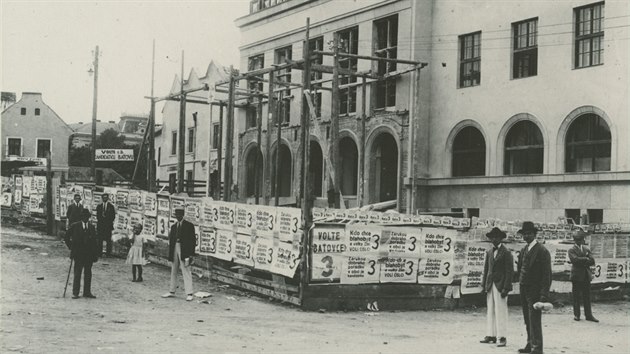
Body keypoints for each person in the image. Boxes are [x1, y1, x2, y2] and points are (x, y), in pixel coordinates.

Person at [517, 221, 552, 354]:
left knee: (534, 319)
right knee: (527, 318)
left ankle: (537, 348)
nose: (526, 236)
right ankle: (530, 343)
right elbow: (520, 268)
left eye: (529, 233)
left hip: (535, 289)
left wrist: (544, 295)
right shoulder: (524, 250)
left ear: (534, 234)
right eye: (524, 234)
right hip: (524, 287)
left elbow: (546, 274)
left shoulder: (542, 251)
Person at [480, 227, 514, 347]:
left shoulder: (507, 253)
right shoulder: (489, 252)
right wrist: (484, 285)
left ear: (501, 238)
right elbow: (486, 269)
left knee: (501, 311)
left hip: (501, 285)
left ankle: (502, 336)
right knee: (490, 310)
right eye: (492, 237)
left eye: (496, 237)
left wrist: (506, 288)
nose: (494, 239)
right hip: (490, 284)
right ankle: (491, 334)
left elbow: (509, 272)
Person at [65, 208, 101, 299]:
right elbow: (66, 237)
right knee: (77, 273)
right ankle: (75, 292)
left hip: (88, 254)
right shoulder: (75, 226)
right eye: (84, 217)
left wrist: (95, 254)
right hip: (78, 253)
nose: (85, 219)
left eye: (87, 217)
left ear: (89, 218)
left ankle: (87, 292)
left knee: (88, 273)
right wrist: (71, 247)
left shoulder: (92, 227)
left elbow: (94, 242)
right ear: (81, 217)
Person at [162, 208, 196, 301]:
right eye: (176, 215)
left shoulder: (189, 226)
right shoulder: (174, 227)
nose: (177, 216)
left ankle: (189, 293)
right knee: (174, 270)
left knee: (186, 270)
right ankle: (172, 291)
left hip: (184, 249)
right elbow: (171, 240)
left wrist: (191, 254)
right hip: (175, 248)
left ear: (182, 215)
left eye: (179, 215)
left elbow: (193, 241)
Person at [568, 230, 598, 322]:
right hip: (576, 276)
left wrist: (582, 260)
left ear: (582, 239)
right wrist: (586, 258)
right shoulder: (571, 250)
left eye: (580, 239)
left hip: (585, 275)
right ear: (574, 240)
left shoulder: (586, 249)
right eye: (577, 239)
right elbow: (575, 260)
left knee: (587, 296)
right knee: (576, 296)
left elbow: (592, 261)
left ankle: (588, 315)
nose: (579, 241)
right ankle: (577, 315)